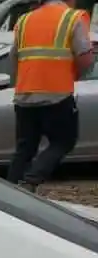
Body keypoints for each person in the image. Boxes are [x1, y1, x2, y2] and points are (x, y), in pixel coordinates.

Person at [7, 0, 94, 191]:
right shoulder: (72, 17)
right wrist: (75, 75)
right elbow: (85, 58)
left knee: (25, 148)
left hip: (24, 96)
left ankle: (9, 189)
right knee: (63, 141)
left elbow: (13, 57)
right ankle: (30, 181)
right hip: (57, 94)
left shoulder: (24, 20)